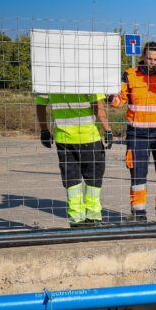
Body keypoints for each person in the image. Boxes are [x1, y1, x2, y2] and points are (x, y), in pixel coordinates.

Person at [110, 41, 156, 222]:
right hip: (137, 134)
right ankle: (139, 214)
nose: (152, 62)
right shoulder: (129, 75)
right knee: (138, 175)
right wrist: (109, 95)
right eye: (149, 58)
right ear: (143, 57)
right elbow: (118, 101)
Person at [36, 92, 113, 227]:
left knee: (72, 180)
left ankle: (76, 219)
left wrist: (44, 130)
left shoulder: (49, 79)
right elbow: (98, 105)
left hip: (64, 139)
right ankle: (93, 217)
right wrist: (108, 129)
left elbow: (40, 105)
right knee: (94, 178)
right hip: (89, 137)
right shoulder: (86, 75)